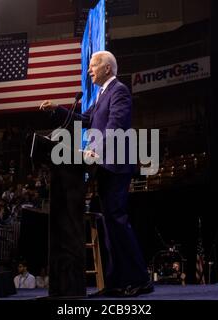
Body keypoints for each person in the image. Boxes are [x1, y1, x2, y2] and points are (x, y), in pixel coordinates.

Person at [40, 50, 153, 297]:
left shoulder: (119, 91)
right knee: (110, 224)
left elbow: (116, 125)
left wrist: (94, 148)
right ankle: (115, 282)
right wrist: (58, 109)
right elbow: (84, 119)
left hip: (116, 166)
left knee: (118, 221)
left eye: (93, 66)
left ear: (107, 69)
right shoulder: (102, 95)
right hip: (103, 167)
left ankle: (140, 279)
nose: (89, 70)